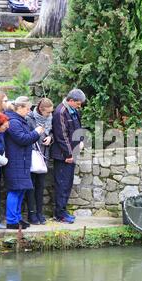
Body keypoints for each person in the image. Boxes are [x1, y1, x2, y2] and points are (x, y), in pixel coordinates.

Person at [4, 96, 44, 230]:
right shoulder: (13, 122)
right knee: (15, 190)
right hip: (15, 162)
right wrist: (36, 133)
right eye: (27, 109)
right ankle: (11, 221)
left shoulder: (19, 120)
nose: (29, 111)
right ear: (19, 108)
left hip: (22, 161)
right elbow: (22, 139)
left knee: (21, 190)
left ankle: (17, 218)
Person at [51, 89, 86, 224]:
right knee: (62, 184)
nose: (79, 106)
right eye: (78, 103)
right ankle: (59, 214)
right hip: (63, 156)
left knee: (68, 184)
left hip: (72, 153)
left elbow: (78, 128)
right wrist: (69, 154)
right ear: (71, 100)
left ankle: (63, 211)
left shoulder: (73, 110)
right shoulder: (60, 112)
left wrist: (81, 140)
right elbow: (62, 136)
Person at [25, 98, 54, 225]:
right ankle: (32, 214)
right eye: (47, 112)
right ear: (41, 110)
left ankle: (40, 213)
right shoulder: (29, 118)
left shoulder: (50, 118)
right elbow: (27, 136)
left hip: (44, 156)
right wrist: (38, 134)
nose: (49, 114)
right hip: (32, 156)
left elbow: (52, 132)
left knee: (40, 186)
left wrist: (50, 138)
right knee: (31, 186)